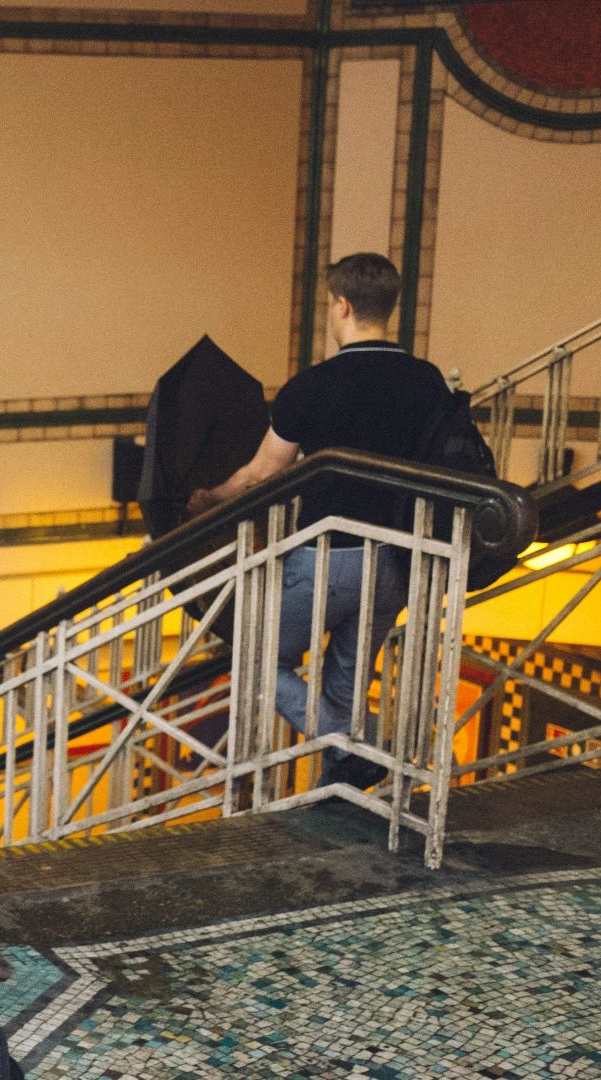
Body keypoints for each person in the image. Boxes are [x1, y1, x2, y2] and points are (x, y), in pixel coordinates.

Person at [187, 253, 452, 791]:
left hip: (329, 557)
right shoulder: (428, 384)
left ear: (343, 305)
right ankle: (343, 788)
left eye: (332, 305)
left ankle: (363, 743)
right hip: (402, 557)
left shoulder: (311, 387)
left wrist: (210, 498)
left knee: (256, 660)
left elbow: (260, 474)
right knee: (347, 685)